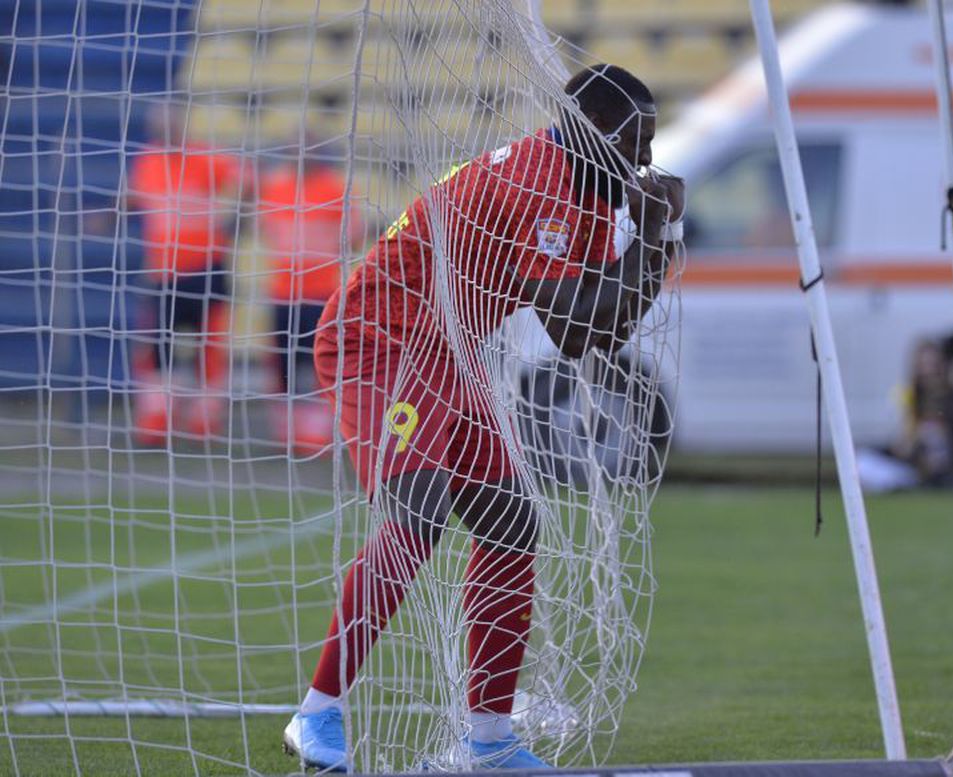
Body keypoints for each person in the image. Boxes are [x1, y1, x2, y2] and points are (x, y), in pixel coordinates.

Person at [281, 64, 684, 772]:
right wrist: (650, 235)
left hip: (450, 349)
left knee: (511, 523)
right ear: (592, 131)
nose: (646, 158)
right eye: (635, 139)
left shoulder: (592, 194)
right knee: (418, 515)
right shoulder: (538, 185)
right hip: (383, 336)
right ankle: (317, 713)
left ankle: (489, 741)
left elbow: (593, 337)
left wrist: (651, 240)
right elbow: (572, 319)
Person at [126, 100, 245, 445]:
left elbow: (244, 183)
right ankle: (155, 422)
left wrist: (234, 220)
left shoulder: (206, 158)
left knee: (209, 347)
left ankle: (204, 424)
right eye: (158, 120)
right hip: (163, 274)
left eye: (169, 120)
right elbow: (134, 200)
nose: (163, 126)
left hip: (207, 270)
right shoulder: (147, 161)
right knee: (159, 349)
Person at [258, 138, 363, 452]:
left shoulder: (335, 190)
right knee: (283, 364)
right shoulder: (275, 189)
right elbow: (267, 231)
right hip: (283, 295)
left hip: (321, 296)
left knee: (320, 363)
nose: (304, 152)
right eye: (300, 146)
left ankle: (319, 429)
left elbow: (354, 236)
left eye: (312, 147)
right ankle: (288, 428)